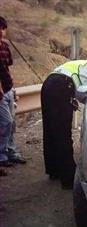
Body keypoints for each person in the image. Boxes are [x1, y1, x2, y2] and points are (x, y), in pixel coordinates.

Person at [41, 60, 87, 189]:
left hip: (50, 82)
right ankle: (68, 179)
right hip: (62, 85)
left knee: (51, 130)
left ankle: (54, 170)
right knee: (63, 133)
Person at [0, 16, 26, 169]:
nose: (2, 32)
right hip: (1, 93)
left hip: (8, 89)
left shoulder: (4, 46)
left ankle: (10, 152)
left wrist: (12, 87)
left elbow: (6, 68)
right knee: (6, 122)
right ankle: (1, 156)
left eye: (3, 29)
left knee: (11, 123)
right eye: (1, 28)